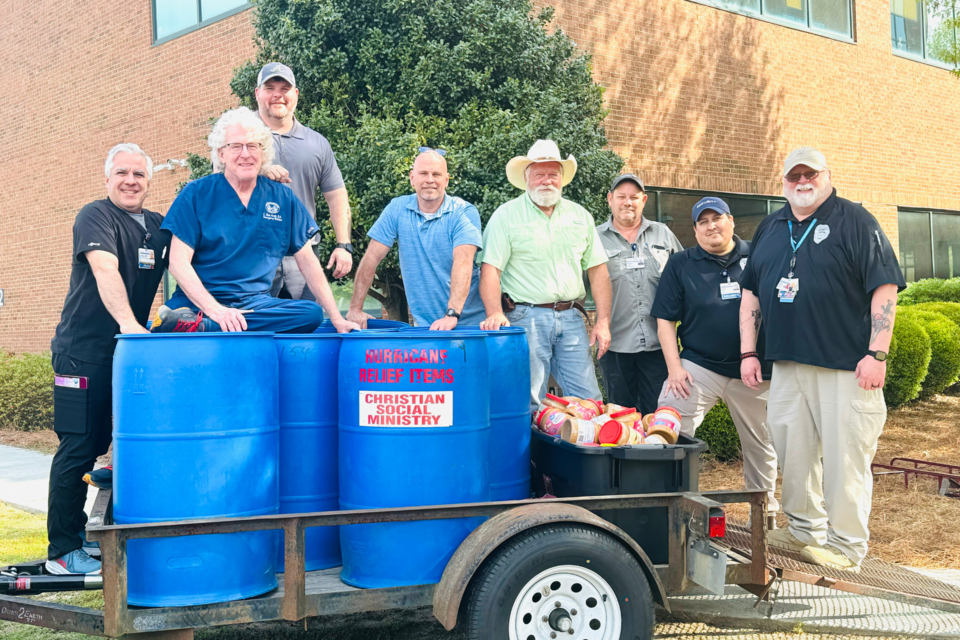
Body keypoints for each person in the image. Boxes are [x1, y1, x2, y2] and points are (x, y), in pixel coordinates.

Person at [740, 147, 905, 572]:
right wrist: (749, 350)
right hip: (787, 365)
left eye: (809, 173)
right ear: (783, 183)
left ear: (827, 175)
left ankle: (847, 546)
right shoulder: (771, 227)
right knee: (793, 452)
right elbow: (751, 293)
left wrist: (877, 353)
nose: (802, 182)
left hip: (845, 367)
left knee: (844, 457)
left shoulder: (855, 220)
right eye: (793, 175)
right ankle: (802, 529)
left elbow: (884, 288)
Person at [47, 144, 171, 575]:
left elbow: (195, 252)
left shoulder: (158, 227)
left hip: (123, 354)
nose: (131, 180)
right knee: (78, 448)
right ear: (107, 178)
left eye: (139, 174)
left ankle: (81, 535)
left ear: (149, 181)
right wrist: (130, 325)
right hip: (81, 355)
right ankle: (62, 551)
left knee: (107, 448)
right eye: (122, 172)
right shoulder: (94, 215)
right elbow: (105, 270)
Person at [154, 107, 357, 334]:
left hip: (255, 305)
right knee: (163, 322)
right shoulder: (195, 194)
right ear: (221, 154)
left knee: (310, 314)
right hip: (196, 302)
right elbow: (177, 262)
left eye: (253, 146)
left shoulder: (283, 197)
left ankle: (205, 326)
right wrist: (215, 309)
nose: (246, 154)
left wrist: (337, 318)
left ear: (263, 153)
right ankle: (207, 321)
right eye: (236, 146)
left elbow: (308, 262)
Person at [651, 197, 779, 521]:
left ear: (731, 221)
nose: (712, 226)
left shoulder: (758, 255)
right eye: (703, 222)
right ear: (694, 230)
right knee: (669, 426)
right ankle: (670, 507)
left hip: (755, 371)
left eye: (717, 218)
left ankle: (764, 516)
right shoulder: (681, 264)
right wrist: (674, 369)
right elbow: (665, 319)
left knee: (762, 444)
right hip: (699, 366)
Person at [479, 139, 612, 412]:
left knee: (590, 400)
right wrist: (495, 312)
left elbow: (598, 271)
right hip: (525, 318)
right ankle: (528, 456)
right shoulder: (506, 216)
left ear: (562, 179)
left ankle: (582, 454)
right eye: (539, 174)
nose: (546, 181)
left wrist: (603, 322)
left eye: (553, 174)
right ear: (527, 178)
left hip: (573, 318)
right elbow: (490, 269)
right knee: (527, 401)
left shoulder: (581, 216)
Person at [346, 148, 485, 329]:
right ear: (412, 178)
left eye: (436, 174)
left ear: (446, 180)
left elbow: (463, 263)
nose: (430, 180)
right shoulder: (397, 209)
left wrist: (452, 314)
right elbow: (371, 257)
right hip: (425, 326)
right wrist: (355, 308)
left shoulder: (464, 212)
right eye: (423, 173)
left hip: (470, 323)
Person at [255, 62, 355, 296]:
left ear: (296, 94)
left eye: (285, 88)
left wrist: (344, 245)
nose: (277, 95)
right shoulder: (238, 135)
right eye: (270, 88)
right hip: (253, 253)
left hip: (305, 252)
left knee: (306, 325)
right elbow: (219, 186)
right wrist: (259, 170)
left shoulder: (317, 143)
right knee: (253, 326)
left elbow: (337, 196)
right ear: (257, 93)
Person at [596, 174, 683, 415]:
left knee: (659, 414)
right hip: (614, 346)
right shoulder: (593, 239)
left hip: (659, 346)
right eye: (621, 197)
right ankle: (626, 455)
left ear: (644, 200)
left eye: (634, 197)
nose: (628, 202)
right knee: (621, 417)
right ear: (610, 200)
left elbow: (684, 279)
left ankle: (656, 453)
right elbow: (580, 287)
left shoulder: (663, 234)